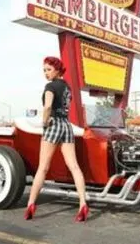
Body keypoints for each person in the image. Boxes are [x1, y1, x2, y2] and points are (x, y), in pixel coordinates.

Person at [24, 56, 89, 222]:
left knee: (43, 168)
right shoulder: (67, 88)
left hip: (53, 125)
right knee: (74, 166)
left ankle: (31, 204)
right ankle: (82, 203)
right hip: (66, 125)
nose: (46, 73)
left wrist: (45, 122)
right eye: (44, 70)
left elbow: (47, 107)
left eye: (49, 69)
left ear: (58, 69)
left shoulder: (50, 86)